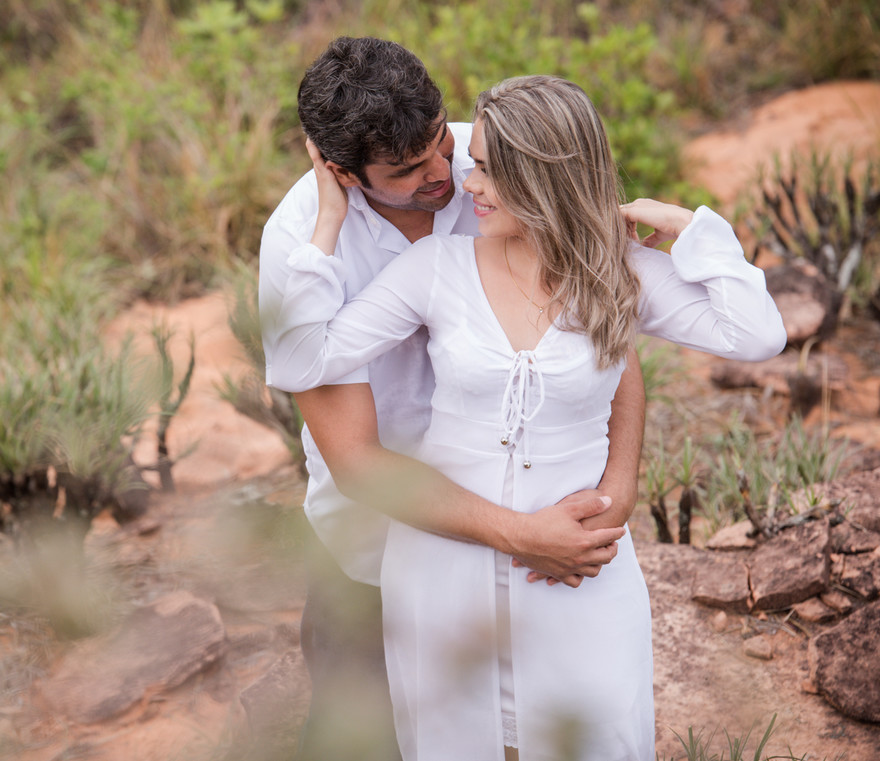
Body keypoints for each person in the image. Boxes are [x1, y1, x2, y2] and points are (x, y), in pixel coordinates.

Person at [269, 75, 786, 760]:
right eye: (472, 161)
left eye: (483, 166)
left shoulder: (616, 273)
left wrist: (690, 227)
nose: (462, 179)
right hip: (439, 564)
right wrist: (328, 226)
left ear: (541, 178)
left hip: (577, 569)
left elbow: (757, 335)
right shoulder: (434, 267)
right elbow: (303, 358)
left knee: (595, 734)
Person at [259, 38, 647, 761]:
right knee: (364, 737)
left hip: (548, 532)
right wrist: (524, 535)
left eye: (442, 141)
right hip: (381, 543)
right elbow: (360, 464)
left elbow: (606, 333)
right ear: (340, 172)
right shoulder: (297, 248)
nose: (446, 174)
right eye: (408, 171)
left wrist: (617, 487)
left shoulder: (504, 165)